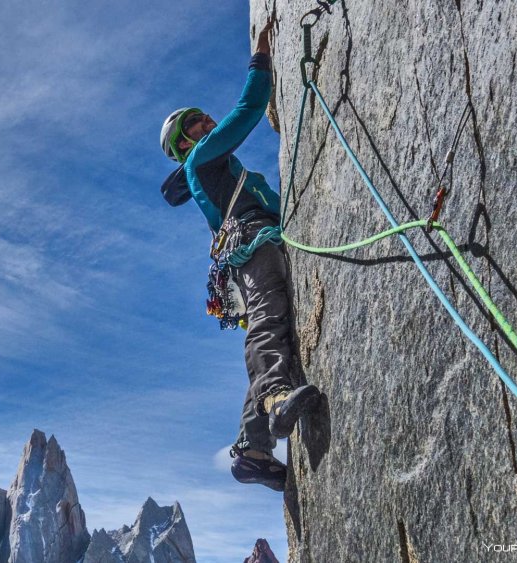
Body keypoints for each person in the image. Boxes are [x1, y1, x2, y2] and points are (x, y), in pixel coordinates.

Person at [158, 19, 320, 492]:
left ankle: (252, 450)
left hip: (245, 249)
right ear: (184, 143)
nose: (207, 123)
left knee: (273, 320)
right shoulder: (204, 157)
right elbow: (249, 108)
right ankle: (273, 396)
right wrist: (262, 52)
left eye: (204, 118)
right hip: (252, 242)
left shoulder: (210, 167)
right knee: (271, 317)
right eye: (196, 124)